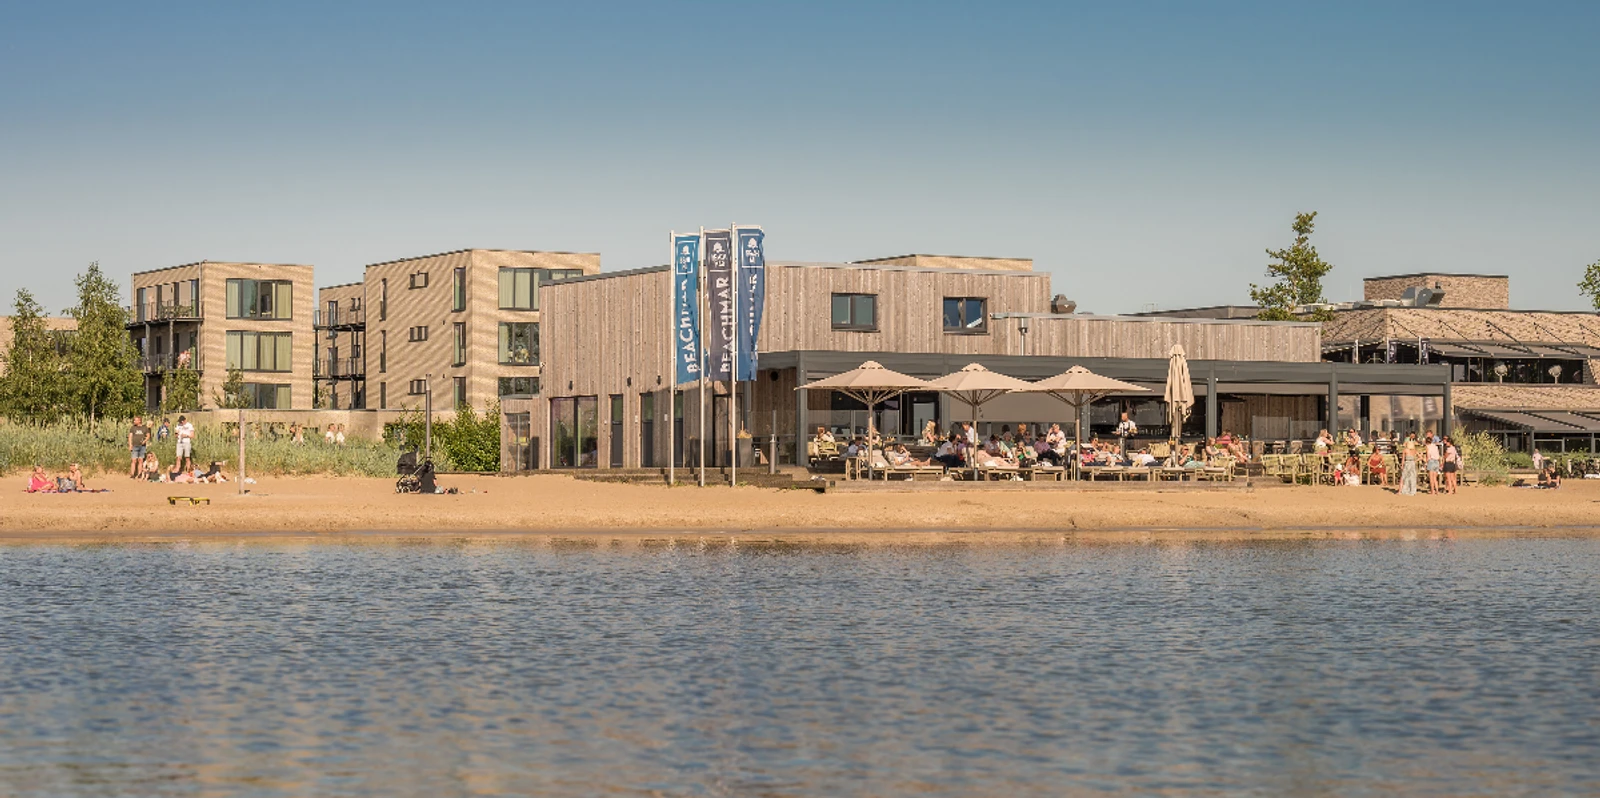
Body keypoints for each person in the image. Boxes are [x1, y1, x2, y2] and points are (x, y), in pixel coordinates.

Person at [128, 415, 151, 480]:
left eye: (135, 420)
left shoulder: (144, 428)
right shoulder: (133, 428)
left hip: (142, 446)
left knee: (140, 460)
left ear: (139, 420)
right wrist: (130, 445)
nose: (134, 421)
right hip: (134, 446)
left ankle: (139, 474)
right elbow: (130, 437)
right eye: (134, 420)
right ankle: (132, 474)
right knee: (134, 460)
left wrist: (145, 441)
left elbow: (148, 436)